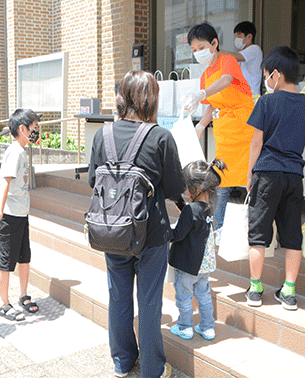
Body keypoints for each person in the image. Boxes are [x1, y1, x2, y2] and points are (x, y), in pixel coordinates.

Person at [88, 70, 185, 378]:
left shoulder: (102, 135)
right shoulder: (160, 137)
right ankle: (153, 369)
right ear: (152, 99)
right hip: (151, 233)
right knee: (149, 302)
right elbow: (172, 188)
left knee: (118, 297)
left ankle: (122, 361)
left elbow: (93, 180)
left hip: (111, 230)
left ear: (122, 97)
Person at [245, 46, 305, 311]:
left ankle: (256, 289)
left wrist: (249, 176)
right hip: (294, 176)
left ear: (276, 74)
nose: (266, 80)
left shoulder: (266, 102)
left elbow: (256, 143)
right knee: (292, 235)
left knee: (258, 234)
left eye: (267, 74)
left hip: (266, 174)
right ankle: (289, 292)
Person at [182, 22, 254, 230]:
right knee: (221, 183)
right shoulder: (205, 75)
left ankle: (259, 228)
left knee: (251, 181)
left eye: (202, 47)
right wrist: (200, 127)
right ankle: (219, 229)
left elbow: (226, 80)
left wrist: (202, 93)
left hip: (245, 127)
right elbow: (212, 104)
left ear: (214, 44)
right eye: (195, 50)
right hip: (225, 132)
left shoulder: (228, 61)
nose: (198, 53)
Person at [0, 108, 41, 321]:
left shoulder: (21, 150)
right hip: (9, 216)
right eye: (34, 128)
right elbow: (4, 182)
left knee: (24, 258)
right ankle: (3, 303)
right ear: (22, 129)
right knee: (6, 262)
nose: (36, 132)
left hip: (21, 215)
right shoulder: (14, 151)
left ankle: (23, 295)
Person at [168, 159, 226, 342]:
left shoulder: (190, 210)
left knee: (184, 297)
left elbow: (177, 234)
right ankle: (207, 327)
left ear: (196, 187)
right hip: (205, 264)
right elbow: (195, 221)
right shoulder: (209, 208)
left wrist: (163, 229)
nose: (184, 190)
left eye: (185, 186)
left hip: (187, 264)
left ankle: (185, 327)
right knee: (204, 295)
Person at [221, 21, 263, 95]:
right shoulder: (243, 53)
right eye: (236, 36)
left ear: (249, 36)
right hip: (242, 96)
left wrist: (217, 51)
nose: (237, 39)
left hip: (252, 96)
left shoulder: (254, 49)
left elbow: (236, 57)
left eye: (239, 36)